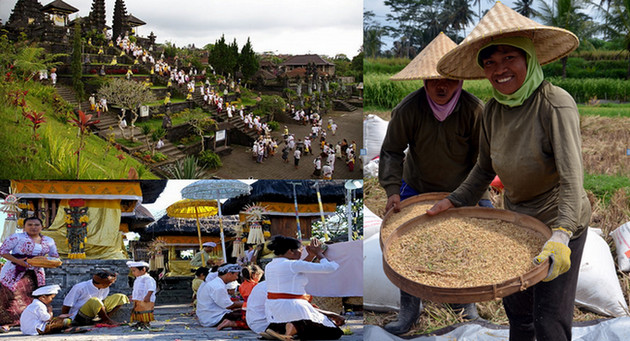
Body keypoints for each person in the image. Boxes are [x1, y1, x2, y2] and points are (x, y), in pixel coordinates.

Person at [429, 3, 590, 341]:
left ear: (529, 59)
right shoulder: (492, 110)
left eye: (508, 58)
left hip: (560, 221)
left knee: (549, 321)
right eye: (490, 62)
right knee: (518, 315)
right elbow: (484, 168)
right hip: (515, 223)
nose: (499, 69)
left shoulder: (554, 104)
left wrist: (561, 235)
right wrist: (454, 202)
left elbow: (573, 179)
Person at [378, 32, 488, 334]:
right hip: (418, 186)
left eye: (450, 79)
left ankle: (465, 306)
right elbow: (390, 151)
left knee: (470, 243)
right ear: (424, 80)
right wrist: (391, 190)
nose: (442, 86)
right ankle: (410, 310)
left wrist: (472, 197)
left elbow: (484, 162)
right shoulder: (409, 110)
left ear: (461, 80)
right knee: (406, 245)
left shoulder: (474, 110)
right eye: (434, 79)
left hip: (464, 188)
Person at [264, 236, 344, 341]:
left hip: (274, 308)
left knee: (297, 325)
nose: (301, 254)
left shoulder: (270, 265)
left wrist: (311, 256)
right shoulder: (292, 264)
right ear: (290, 251)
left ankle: (282, 330)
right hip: (293, 306)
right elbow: (329, 268)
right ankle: (291, 328)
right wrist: (319, 253)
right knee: (334, 332)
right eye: (300, 251)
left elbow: (299, 268)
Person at [0, 216, 59, 330]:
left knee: (32, 296)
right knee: (11, 296)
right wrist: (18, 261)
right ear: (24, 227)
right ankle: (6, 324)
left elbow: (54, 256)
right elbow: (2, 252)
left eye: (37, 225)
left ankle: (28, 321)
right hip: (14, 271)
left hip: (36, 272)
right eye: (30, 225)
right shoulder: (16, 237)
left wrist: (48, 262)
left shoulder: (49, 241)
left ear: (42, 227)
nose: (33, 227)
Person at [61, 270, 129, 326]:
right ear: (103, 284)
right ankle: (107, 320)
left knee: (121, 297)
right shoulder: (80, 287)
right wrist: (64, 319)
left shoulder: (105, 288)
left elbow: (102, 301)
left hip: (97, 311)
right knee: (95, 300)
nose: (110, 285)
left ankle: (103, 320)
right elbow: (67, 304)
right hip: (80, 315)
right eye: (109, 284)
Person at [196, 264, 246, 330]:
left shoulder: (216, 283)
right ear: (229, 274)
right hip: (213, 318)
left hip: (207, 316)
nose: (237, 278)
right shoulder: (218, 286)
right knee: (248, 315)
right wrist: (247, 304)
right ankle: (230, 323)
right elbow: (229, 305)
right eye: (236, 275)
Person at [127, 261, 156, 329]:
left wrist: (148, 296)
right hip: (138, 299)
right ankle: (140, 322)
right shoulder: (138, 279)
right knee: (138, 310)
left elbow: (151, 288)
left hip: (145, 299)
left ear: (143, 270)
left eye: (134, 271)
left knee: (145, 311)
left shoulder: (148, 279)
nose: (133, 273)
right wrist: (133, 296)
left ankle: (145, 323)